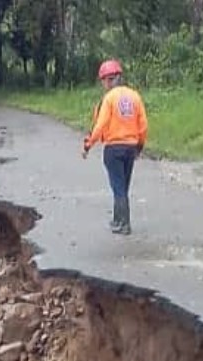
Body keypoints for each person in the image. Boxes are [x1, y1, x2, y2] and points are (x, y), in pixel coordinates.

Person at [82, 59, 148, 235]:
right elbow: (143, 125)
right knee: (123, 186)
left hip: (113, 149)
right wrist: (140, 145)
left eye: (103, 80)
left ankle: (124, 224)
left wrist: (89, 143)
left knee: (117, 186)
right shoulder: (135, 96)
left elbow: (101, 124)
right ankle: (118, 220)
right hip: (131, 147)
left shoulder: (108, 99)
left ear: (107, 79)